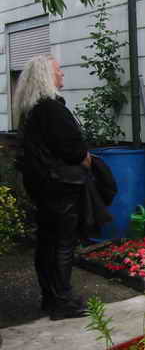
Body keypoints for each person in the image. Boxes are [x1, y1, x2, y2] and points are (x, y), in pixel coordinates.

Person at [14, 55, 92, 320]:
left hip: (42, 187)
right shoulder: (52, 109)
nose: (62, 75)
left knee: (47, 242)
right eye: (58, 71)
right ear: (46, 76)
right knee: (62, 243)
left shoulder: (31, 110)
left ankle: (50, 297)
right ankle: (63, 301)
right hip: (60, 187)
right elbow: (73, 149)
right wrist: (85, 157)